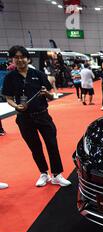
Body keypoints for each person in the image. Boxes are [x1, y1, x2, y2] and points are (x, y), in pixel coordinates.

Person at [1, 45, 71, 187]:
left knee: (52, 144)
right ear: (12, 60)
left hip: (43, 116)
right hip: (24, 118)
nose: (20, 60)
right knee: (35, 147)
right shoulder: (10, 77)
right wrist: (16, 106)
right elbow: (8, 97)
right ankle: (43, 173)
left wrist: (47, 94)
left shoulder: (38, 74)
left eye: (22, 57)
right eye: (16, 58)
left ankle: (57, 175)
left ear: (28, 58)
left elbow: (51, 97)